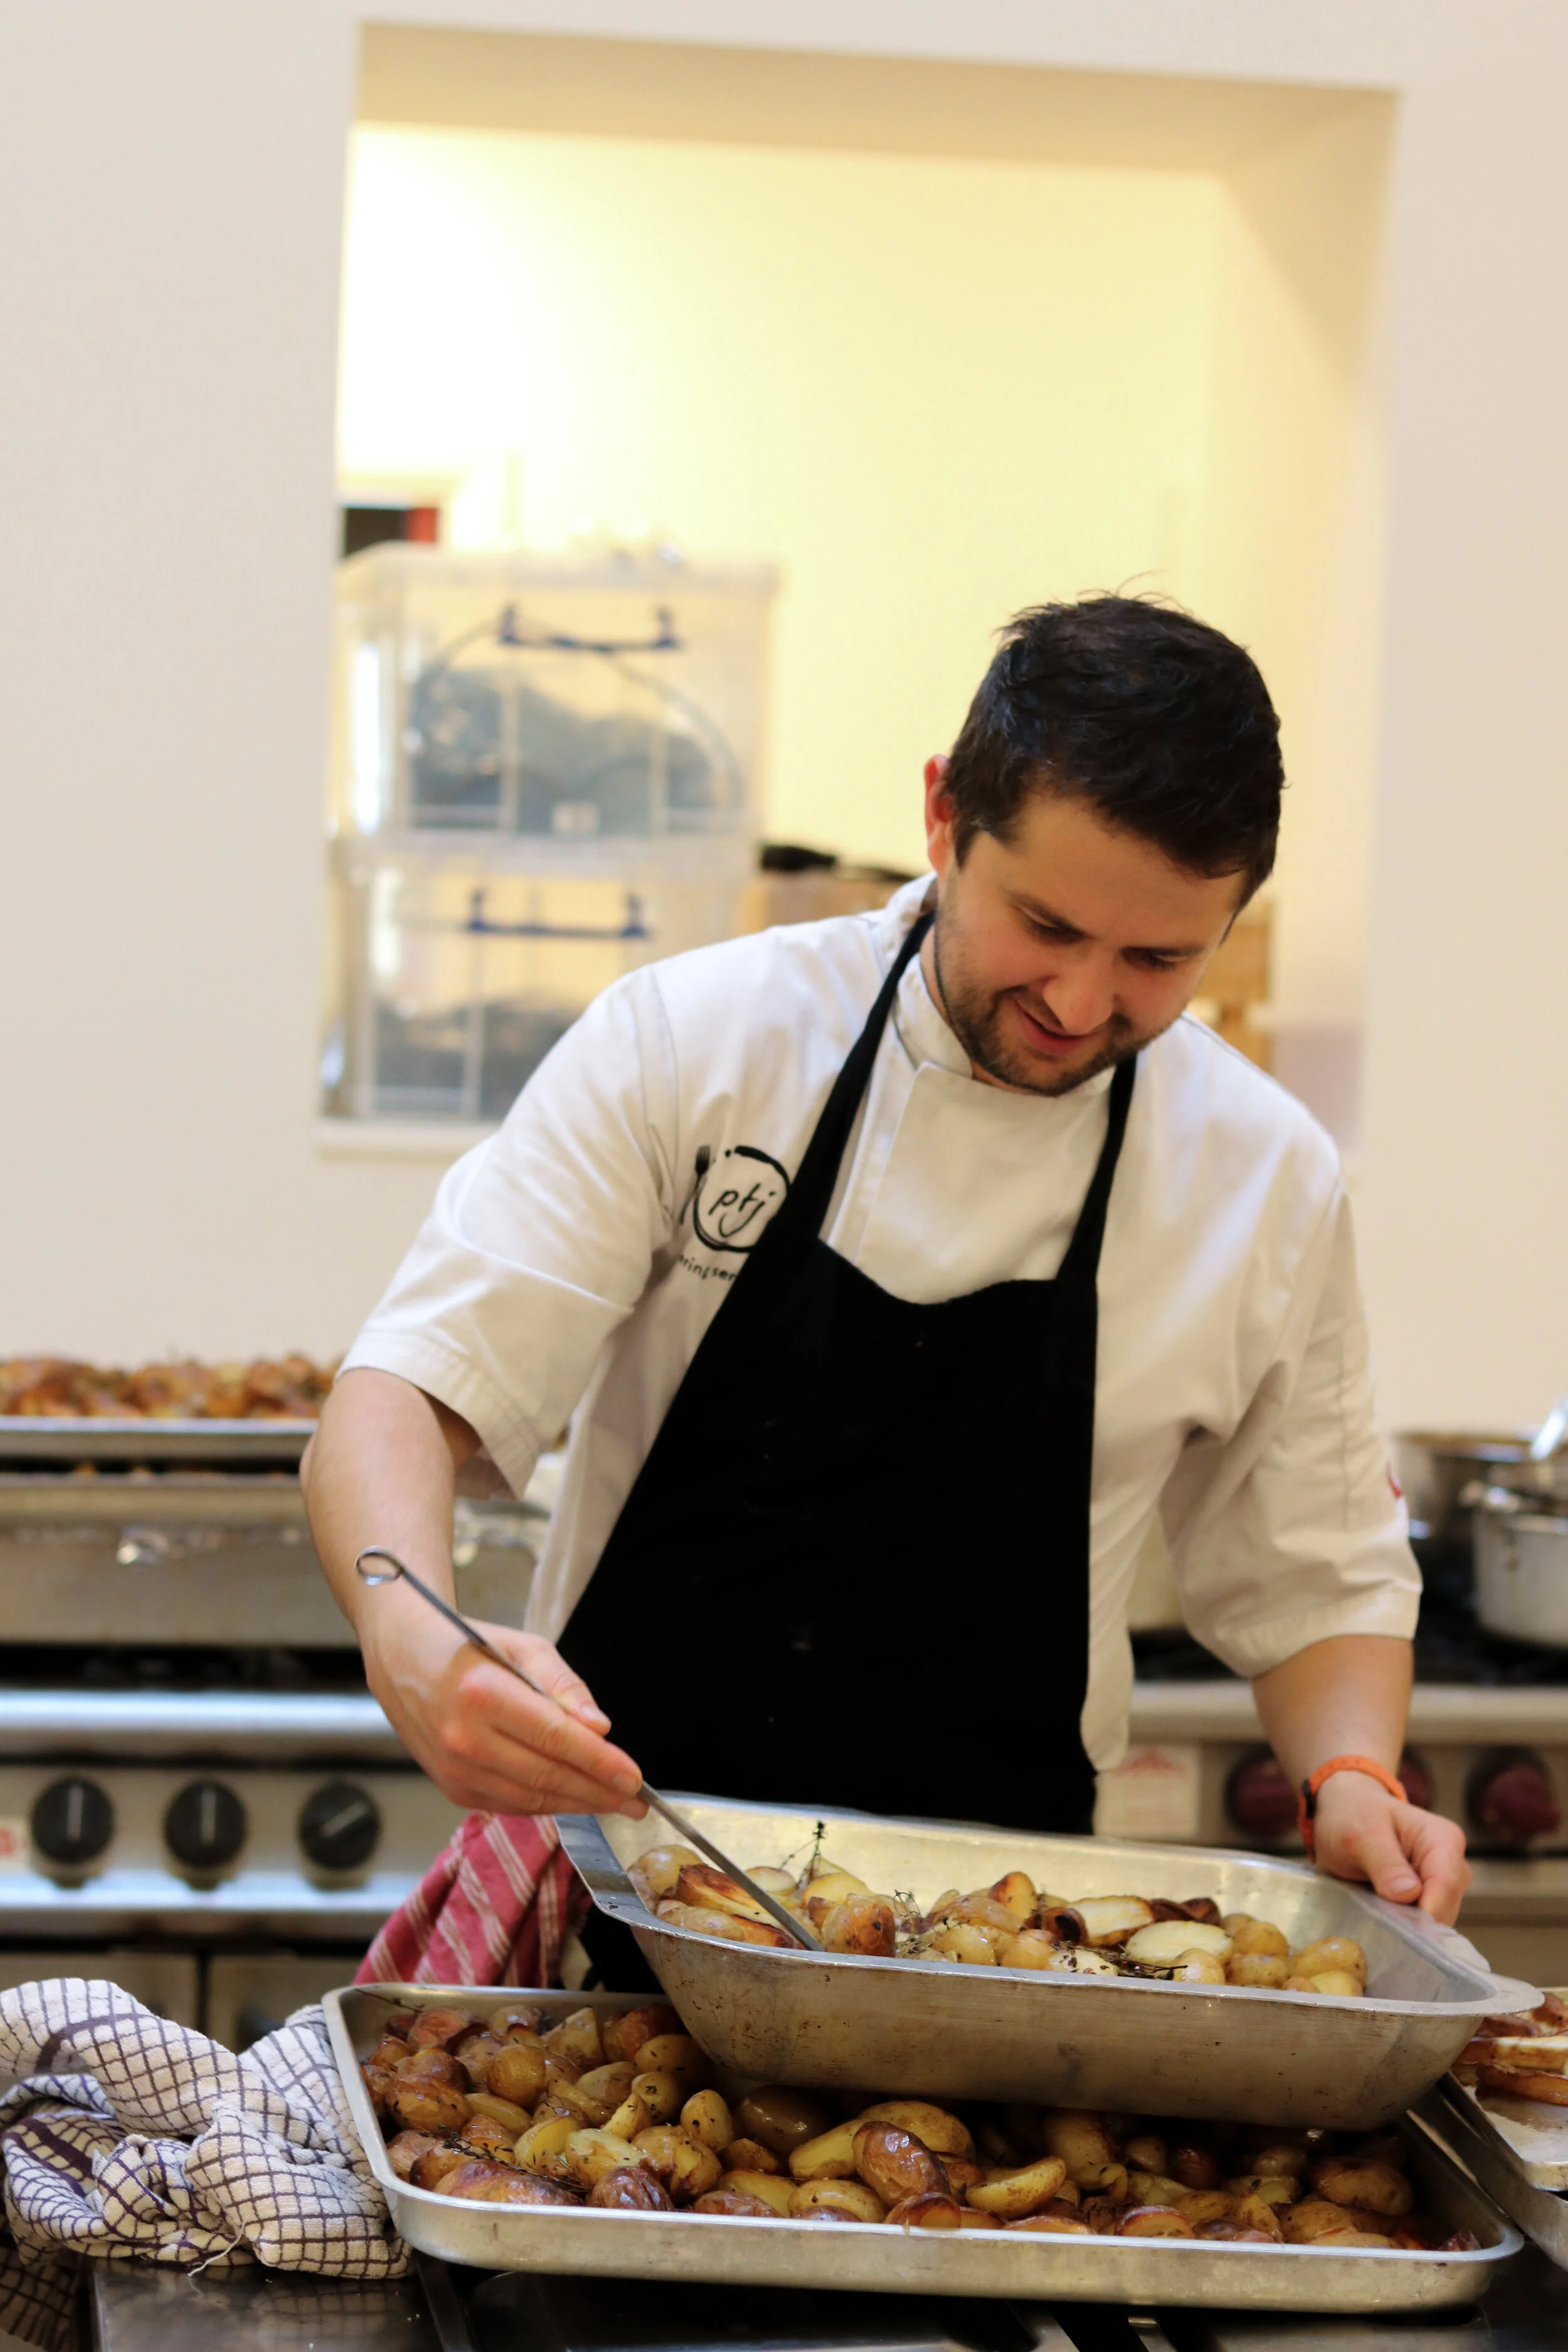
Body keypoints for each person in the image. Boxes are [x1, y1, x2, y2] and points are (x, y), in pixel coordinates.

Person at [303, 595, 1470, 1988]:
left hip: (1016, 1958)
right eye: (1042, 924)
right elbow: (402, 1395)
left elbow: (1317, 1566)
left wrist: (1349, 1774)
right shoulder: (697, 1044)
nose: (1083, 1002)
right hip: (635, 1909)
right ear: (941, 819)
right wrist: (403, 1627)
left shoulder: (1259, 1177)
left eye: (1157, 960)